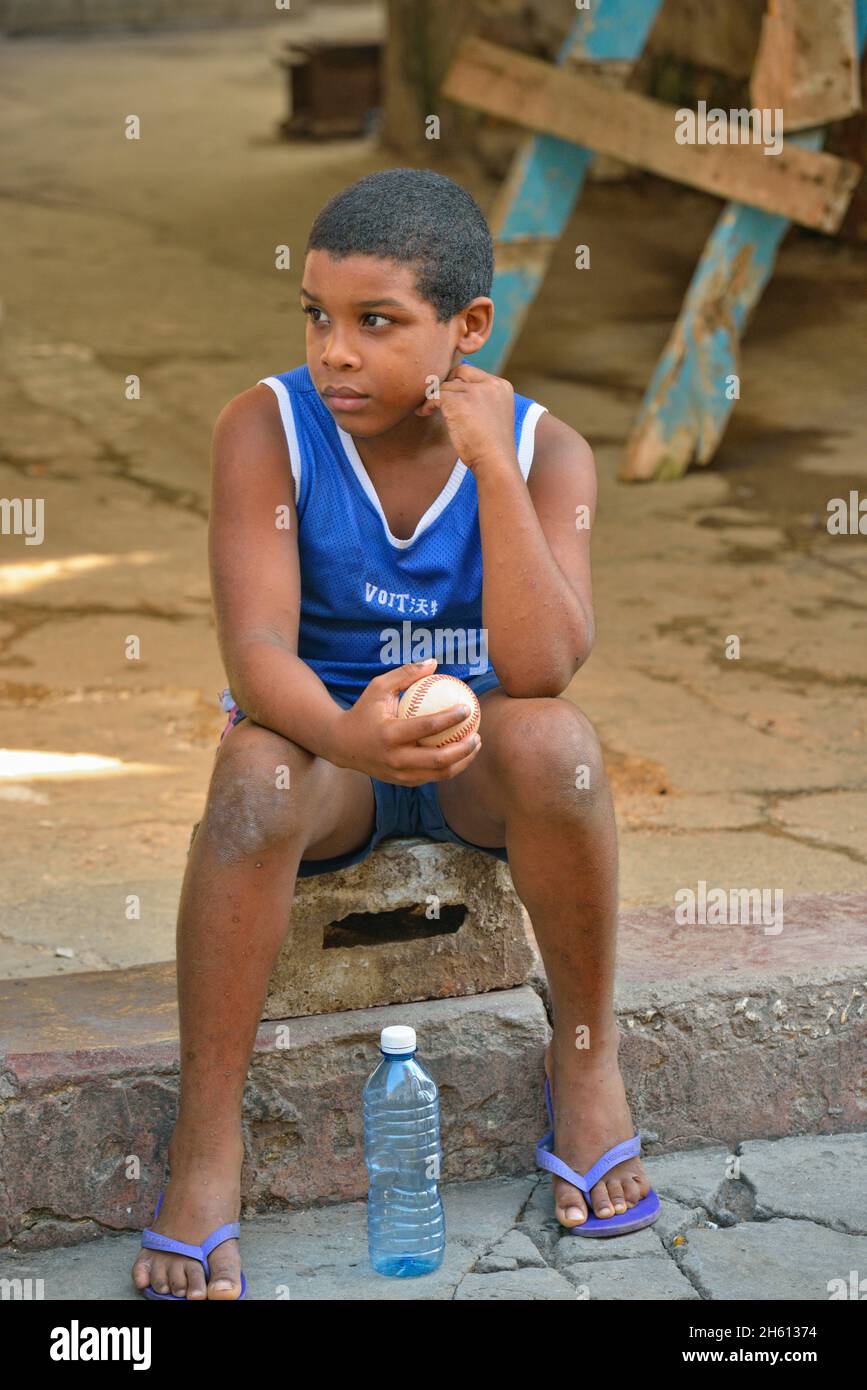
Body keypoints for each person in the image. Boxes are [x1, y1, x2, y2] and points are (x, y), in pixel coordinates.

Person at [132, 167, 657, 1301]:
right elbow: (257, 652)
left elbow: (542, 666)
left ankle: (589, 1064)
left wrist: (490, 472)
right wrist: (354, 740)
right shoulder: (264, 428)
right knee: (253, 782)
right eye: (317, 315)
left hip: (476, 766)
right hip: (331, 757)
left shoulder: (545, 453)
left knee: (560, 743)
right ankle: (206, 1149)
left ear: (468, 328)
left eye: (377, 323)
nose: (335, 351)